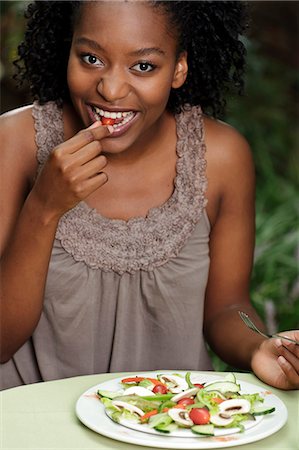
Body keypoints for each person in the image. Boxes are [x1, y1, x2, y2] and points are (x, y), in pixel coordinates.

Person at [0, 0, 298, 391]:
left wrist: (260, 347)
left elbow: (226, 307)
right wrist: (44, 206)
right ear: (66, 48)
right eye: (90, 58)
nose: (110, 88)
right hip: (34, 418)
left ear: (179, 68)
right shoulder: (15, 142)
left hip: (168, 424)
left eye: (143, 66)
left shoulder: (222, 158)